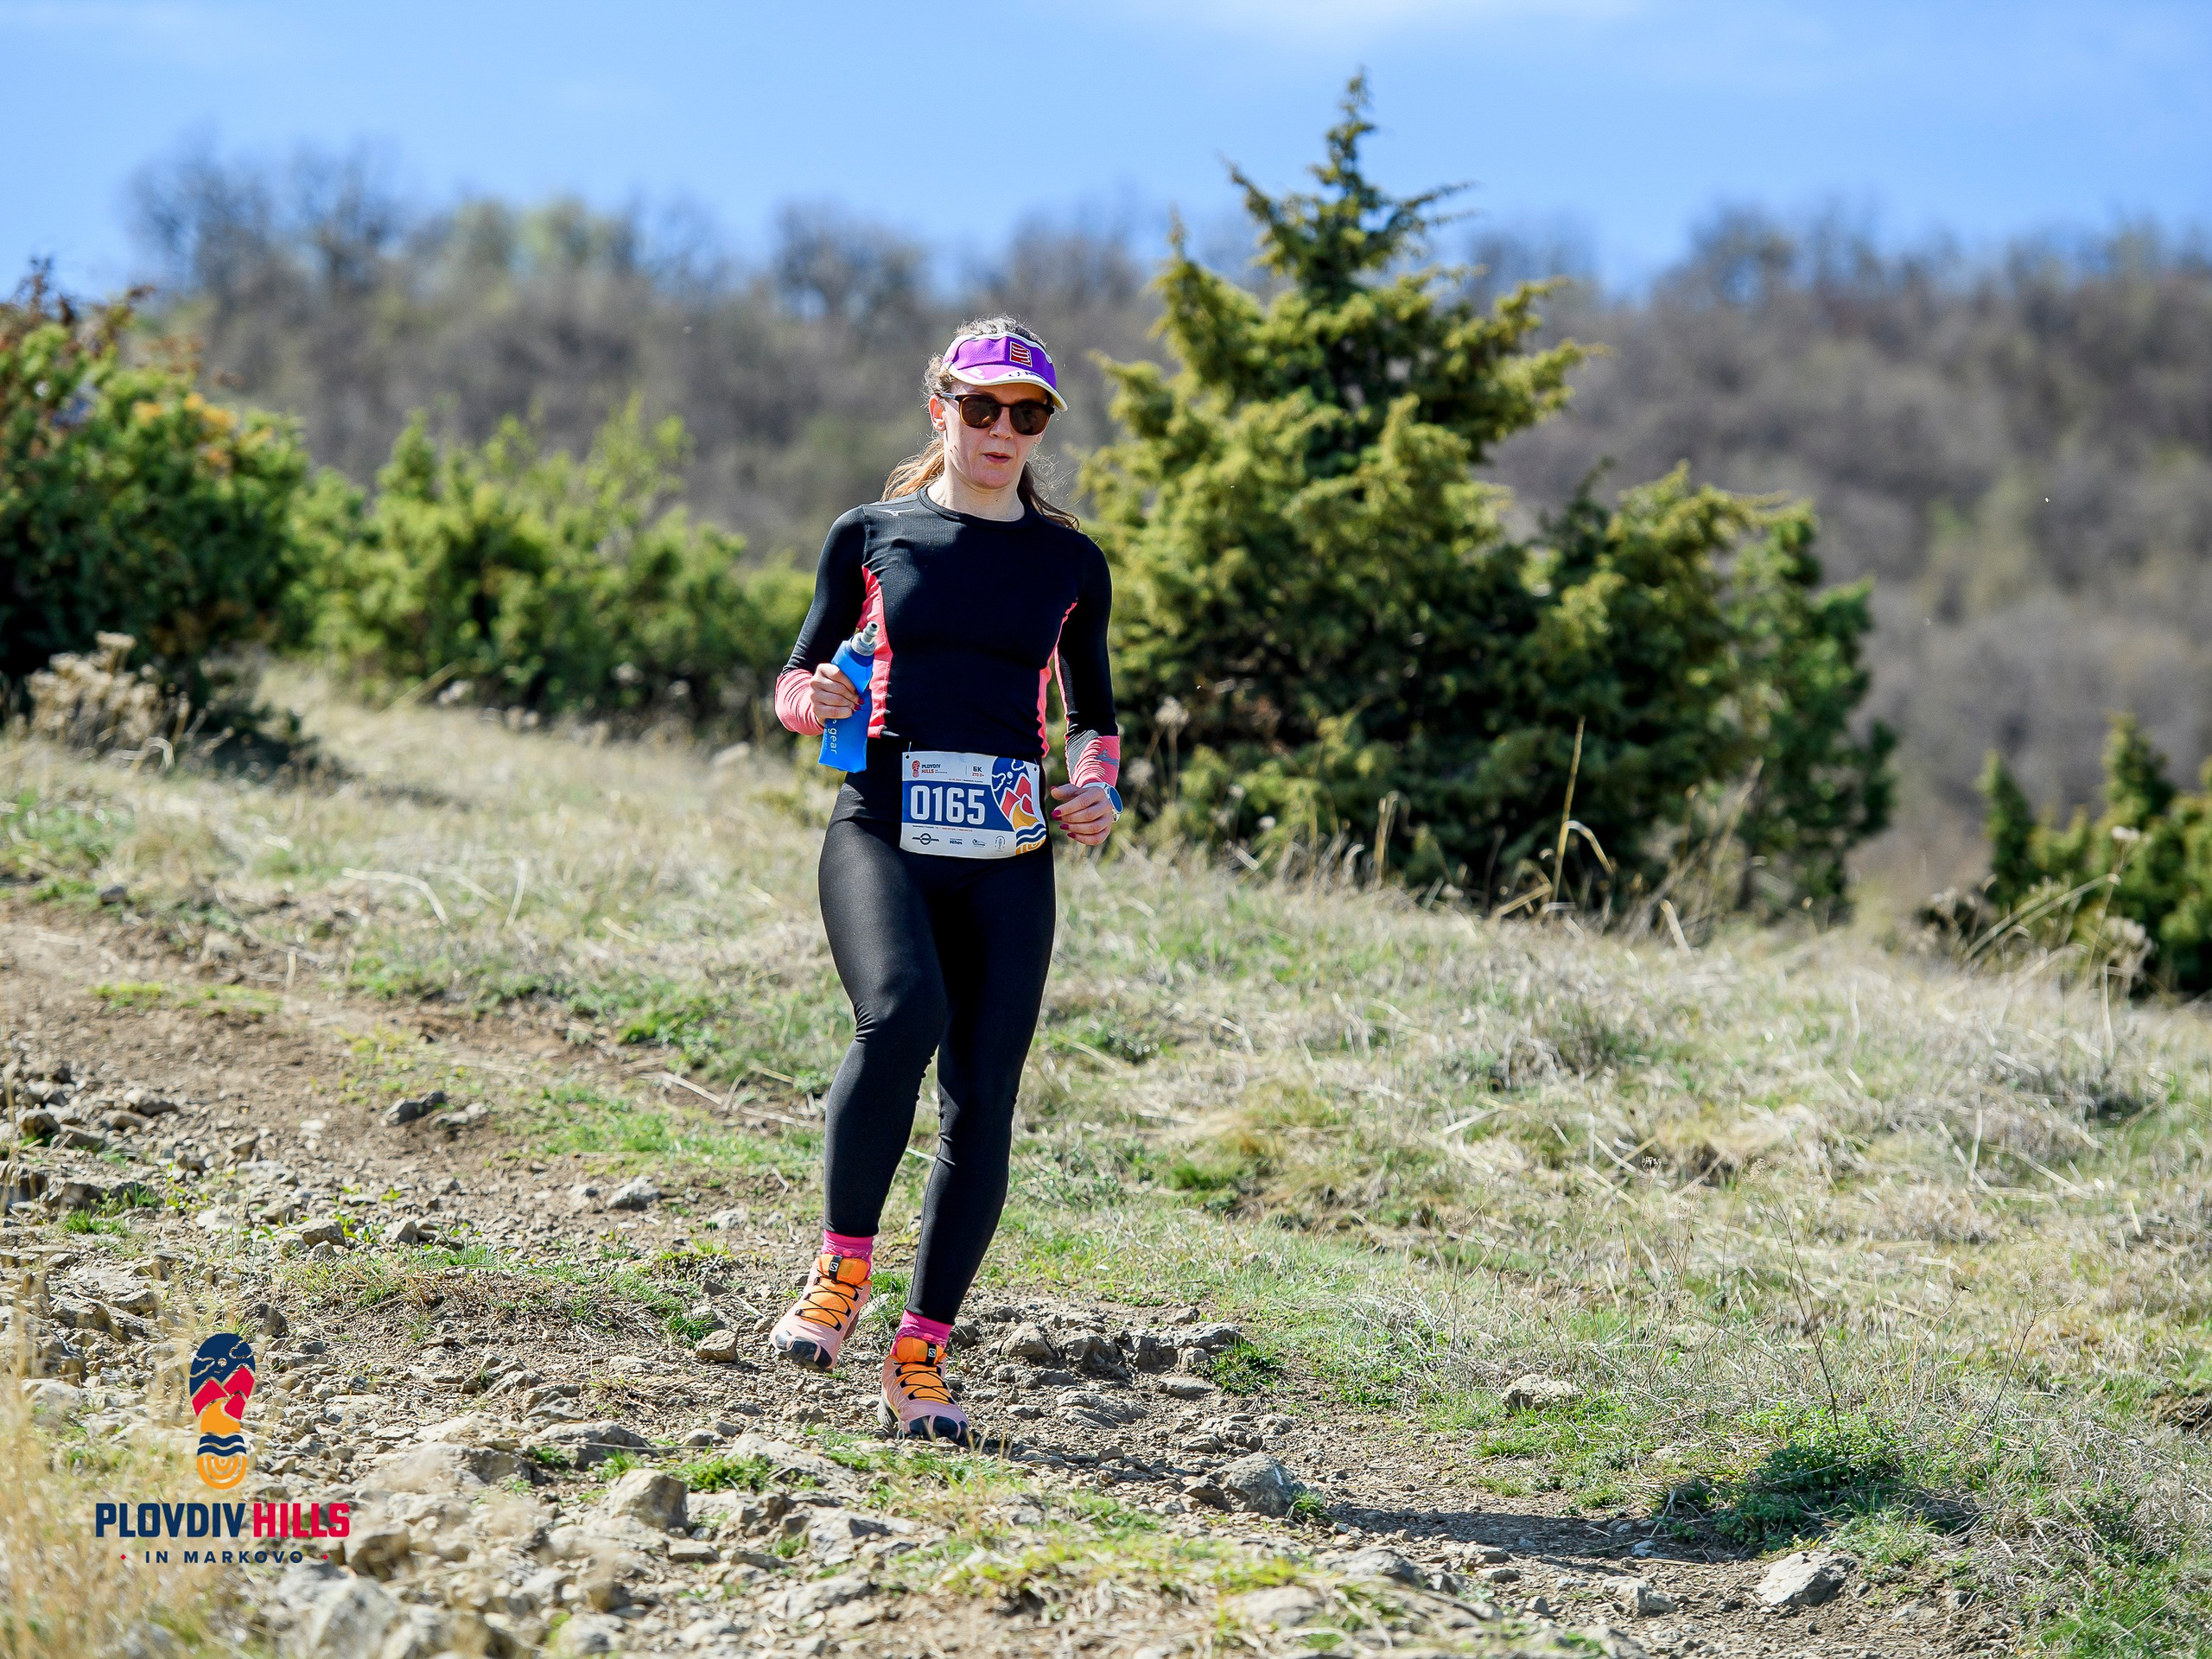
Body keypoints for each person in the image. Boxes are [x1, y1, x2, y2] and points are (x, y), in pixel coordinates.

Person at [766, 317, 1122, 1443]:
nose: (1002, 431)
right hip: (880, 826)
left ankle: (920, 1353)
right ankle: (839, 1273)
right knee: (901, 1010)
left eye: (1027, 414)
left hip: (1013, 856)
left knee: (983, 1099)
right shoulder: (871, 534)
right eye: (981, 408)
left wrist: (1096, 792)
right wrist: (809, 700)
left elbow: (1096, 716)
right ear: (942, 411)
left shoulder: (1068, 562)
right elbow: (798, 669)